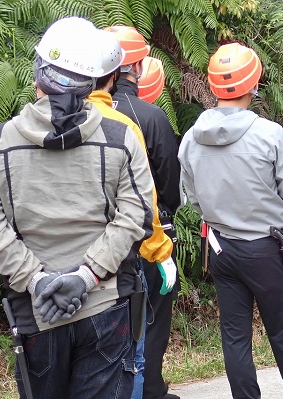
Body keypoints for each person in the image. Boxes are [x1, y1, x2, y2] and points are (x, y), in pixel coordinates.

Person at [0, 17, 155, 398]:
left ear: (37, 74)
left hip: (36, 311)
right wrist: (85, 277)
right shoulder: (120, 138)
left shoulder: (1, 142)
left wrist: (38, 281)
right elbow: (138, 217)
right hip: (104, 305)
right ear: (95, 82)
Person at [178, 42, 283, 398]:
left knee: (235, 336)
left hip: (222, 247)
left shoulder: (192, 138)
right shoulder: (268, 133)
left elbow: (191, 197)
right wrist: (275, 221)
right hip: (266, 246)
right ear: (254, 85)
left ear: (212, 86)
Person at [84, 27, 176, 399]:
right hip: (143, 238)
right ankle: (149, 387)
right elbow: (162, 187)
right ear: (137, 64)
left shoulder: (71, 115)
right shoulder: (147, 117)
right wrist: (162, 239)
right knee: (148, 319)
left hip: (85, 246)